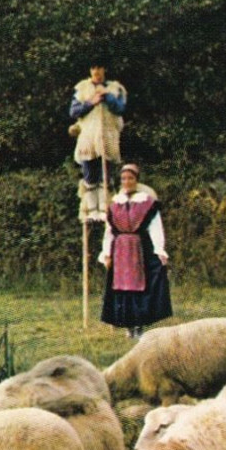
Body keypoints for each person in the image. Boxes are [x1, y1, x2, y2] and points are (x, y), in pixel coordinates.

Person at [99, 164, 172, 338]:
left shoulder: (146, 202)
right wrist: (107, 253)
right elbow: (109, 231)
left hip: (140, 248)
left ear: (136, 180)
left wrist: (159, 249)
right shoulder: (115, 203)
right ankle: (128, 325)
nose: (127, 182)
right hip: (120, 251)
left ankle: (139, 324)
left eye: (130, 178)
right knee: (122, 288)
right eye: (124, 178)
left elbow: (155, 227)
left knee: (141, 285)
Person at [69, 62, 127, 223]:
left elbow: (120, 108)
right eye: (93, 68)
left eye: (100, 68)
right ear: (90, 70)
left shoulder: (116, 88)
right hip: (88, 136)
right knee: (89, 174)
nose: (97, 72)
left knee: (105, 174)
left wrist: (106, 96)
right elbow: (73, 111)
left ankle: (104, 209)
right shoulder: (82, 89)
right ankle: (91, 210)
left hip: (107, 135)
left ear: (104, 69)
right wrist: (91, 102)